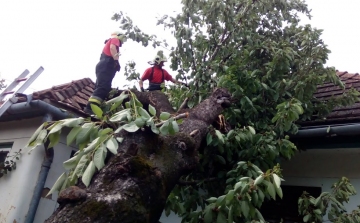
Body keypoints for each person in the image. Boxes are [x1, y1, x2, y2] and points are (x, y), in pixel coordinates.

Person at [84, 31, 126, 114]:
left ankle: (95, 107)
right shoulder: (114, 40)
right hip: (106, 65)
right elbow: (112, 48)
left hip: (103, 66)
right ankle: (90, 108)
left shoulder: (109, 42)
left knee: (102, 86)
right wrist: (116, 61)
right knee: (103, 86)